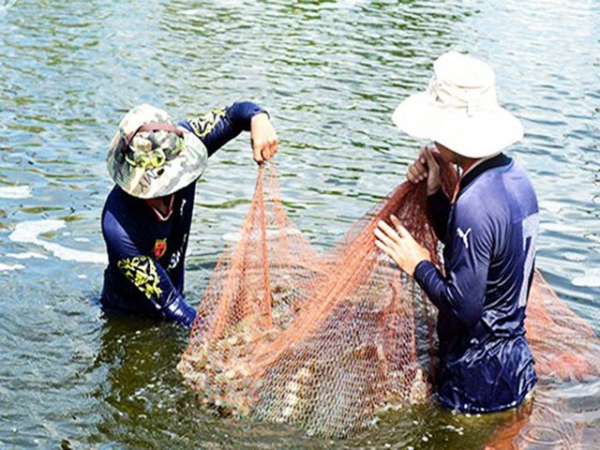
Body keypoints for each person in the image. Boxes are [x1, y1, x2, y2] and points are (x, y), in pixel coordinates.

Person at [374, 51, 539, 413]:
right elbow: (477, 255)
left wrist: (417, 263)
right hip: (515, 368)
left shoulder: (474, 202)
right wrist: (435, 194)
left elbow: (463, 307)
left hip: (477, 383)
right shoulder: (515, 178)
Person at [100, 101, 278, 328]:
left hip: (174, 296)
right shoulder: (118, 226)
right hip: (127, 315)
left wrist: (258, 118)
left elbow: (233, 116)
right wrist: (216, 334)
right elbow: (171, 303)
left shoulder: (180, 142)